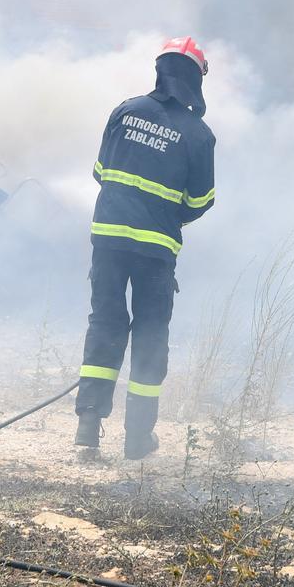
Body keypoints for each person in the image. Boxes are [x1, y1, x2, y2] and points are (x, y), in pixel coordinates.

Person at [74, 37, 215, 459]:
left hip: (109, 239)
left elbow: (101, 172)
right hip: (156, 251)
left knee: (106, 323)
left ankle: (87, 427)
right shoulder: (198, 134)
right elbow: (200, 203)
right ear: (195, 78)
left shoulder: (125, 111)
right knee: (151, 335)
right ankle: (137, 439)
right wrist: (164, 214)